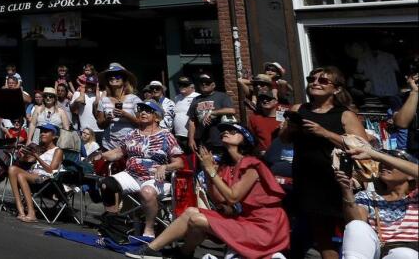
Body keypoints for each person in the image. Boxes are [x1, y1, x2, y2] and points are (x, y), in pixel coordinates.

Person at [128, 123, 288, 259]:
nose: (225, 132)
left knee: (197, 220)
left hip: (265, 226)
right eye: (224, 131)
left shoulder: (252, 164)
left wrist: (211, 170)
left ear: (244, 140)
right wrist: (207, 172)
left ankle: (173, 253)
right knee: (191, 212)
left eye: (233, 131)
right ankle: (156, 250)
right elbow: (219, 199)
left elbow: (233, 197)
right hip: (245, 219)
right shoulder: (229, 167)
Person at [280, 66, 372, 259]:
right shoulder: (299, 109)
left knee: (352, 232)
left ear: (336, 89)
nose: (315, 83)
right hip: (308, 180)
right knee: (322, 236)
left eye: (323, 81)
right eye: (312, 79)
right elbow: (284, 139)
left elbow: (364, 147)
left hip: (338, 181)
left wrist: (325, 133)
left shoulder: (345, 114)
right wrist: (292, 127)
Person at [93, 100, 185, 240]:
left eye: (148, 110)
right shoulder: (132, 134)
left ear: (157, 117)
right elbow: (119, 152)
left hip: (155, 178)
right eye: (141, 109)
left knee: (147, 192)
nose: (143, 112)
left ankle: (149, 229)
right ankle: (112, 224)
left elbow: (179, 162)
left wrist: (165, 166)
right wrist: (101, 155)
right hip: (131, 175)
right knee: (106, 184)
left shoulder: (166, 136)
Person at [336, 146, 418, 259]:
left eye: (391, 161)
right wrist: (346, 191)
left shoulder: (416, 197)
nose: (383, 164)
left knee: (404, 254)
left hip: (411, 253)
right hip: (381, 252)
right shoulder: (367, 197)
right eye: (382, 162)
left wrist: (377, 155)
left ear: (410, 175)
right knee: (356, 226)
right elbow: (356, 224)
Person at [9, 123, 65, 222]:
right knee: (12, 169)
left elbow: (51, 169)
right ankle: (20, 209)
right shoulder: (40, 148)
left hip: (47, 179)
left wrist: (36, 156)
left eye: (46, 132)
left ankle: (31, 213)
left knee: (21, 175)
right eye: (42, 132)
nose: (42, 134)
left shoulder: (58, 151)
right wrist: (23, 155)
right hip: (33, 175)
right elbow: (27, 162)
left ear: (54, 136)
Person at [186, 72, 236, 153]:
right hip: (203, 140)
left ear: (213, 85)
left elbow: (232, 110)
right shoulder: (195, 100)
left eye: (207, 82)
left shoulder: (222, 96)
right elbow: (192, 121)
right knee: (206, 164)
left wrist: (212, 113)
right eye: (202, 82)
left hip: (220, 139)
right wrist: (191, 139)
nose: (204, 84)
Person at [96, 63, 141, 149]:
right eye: (110, 76)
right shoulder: (103, 100)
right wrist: (108, 120)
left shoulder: (134, 99)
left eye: (117, 76)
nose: (113, 78)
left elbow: (142, 123)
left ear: (124, 80)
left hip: (131, 146)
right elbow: (100, 125)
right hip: (108, 146)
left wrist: (126, 115)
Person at [170, 76, 198, 155]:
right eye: (180, 85)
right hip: (178, 134)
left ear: (192, 86)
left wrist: (192, 138)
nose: (182, 87)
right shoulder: (177, 98)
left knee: (193, 159)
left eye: (185, 85)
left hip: (191, 136)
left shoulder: (197, 97)